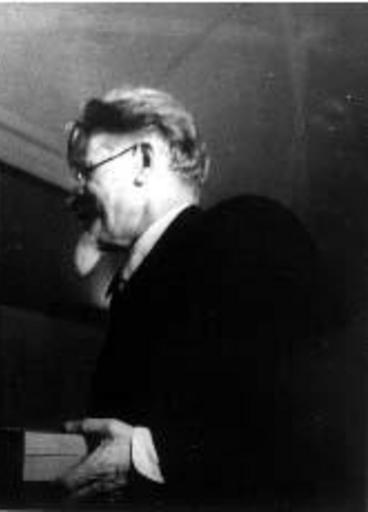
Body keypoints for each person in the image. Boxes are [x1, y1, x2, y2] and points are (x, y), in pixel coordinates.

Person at [57, 87, 348, 506]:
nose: (75, 192)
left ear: (143, 160)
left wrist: (144, 456)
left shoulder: (248, 229)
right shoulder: (134, 285)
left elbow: (297, 421)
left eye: (86, 172)